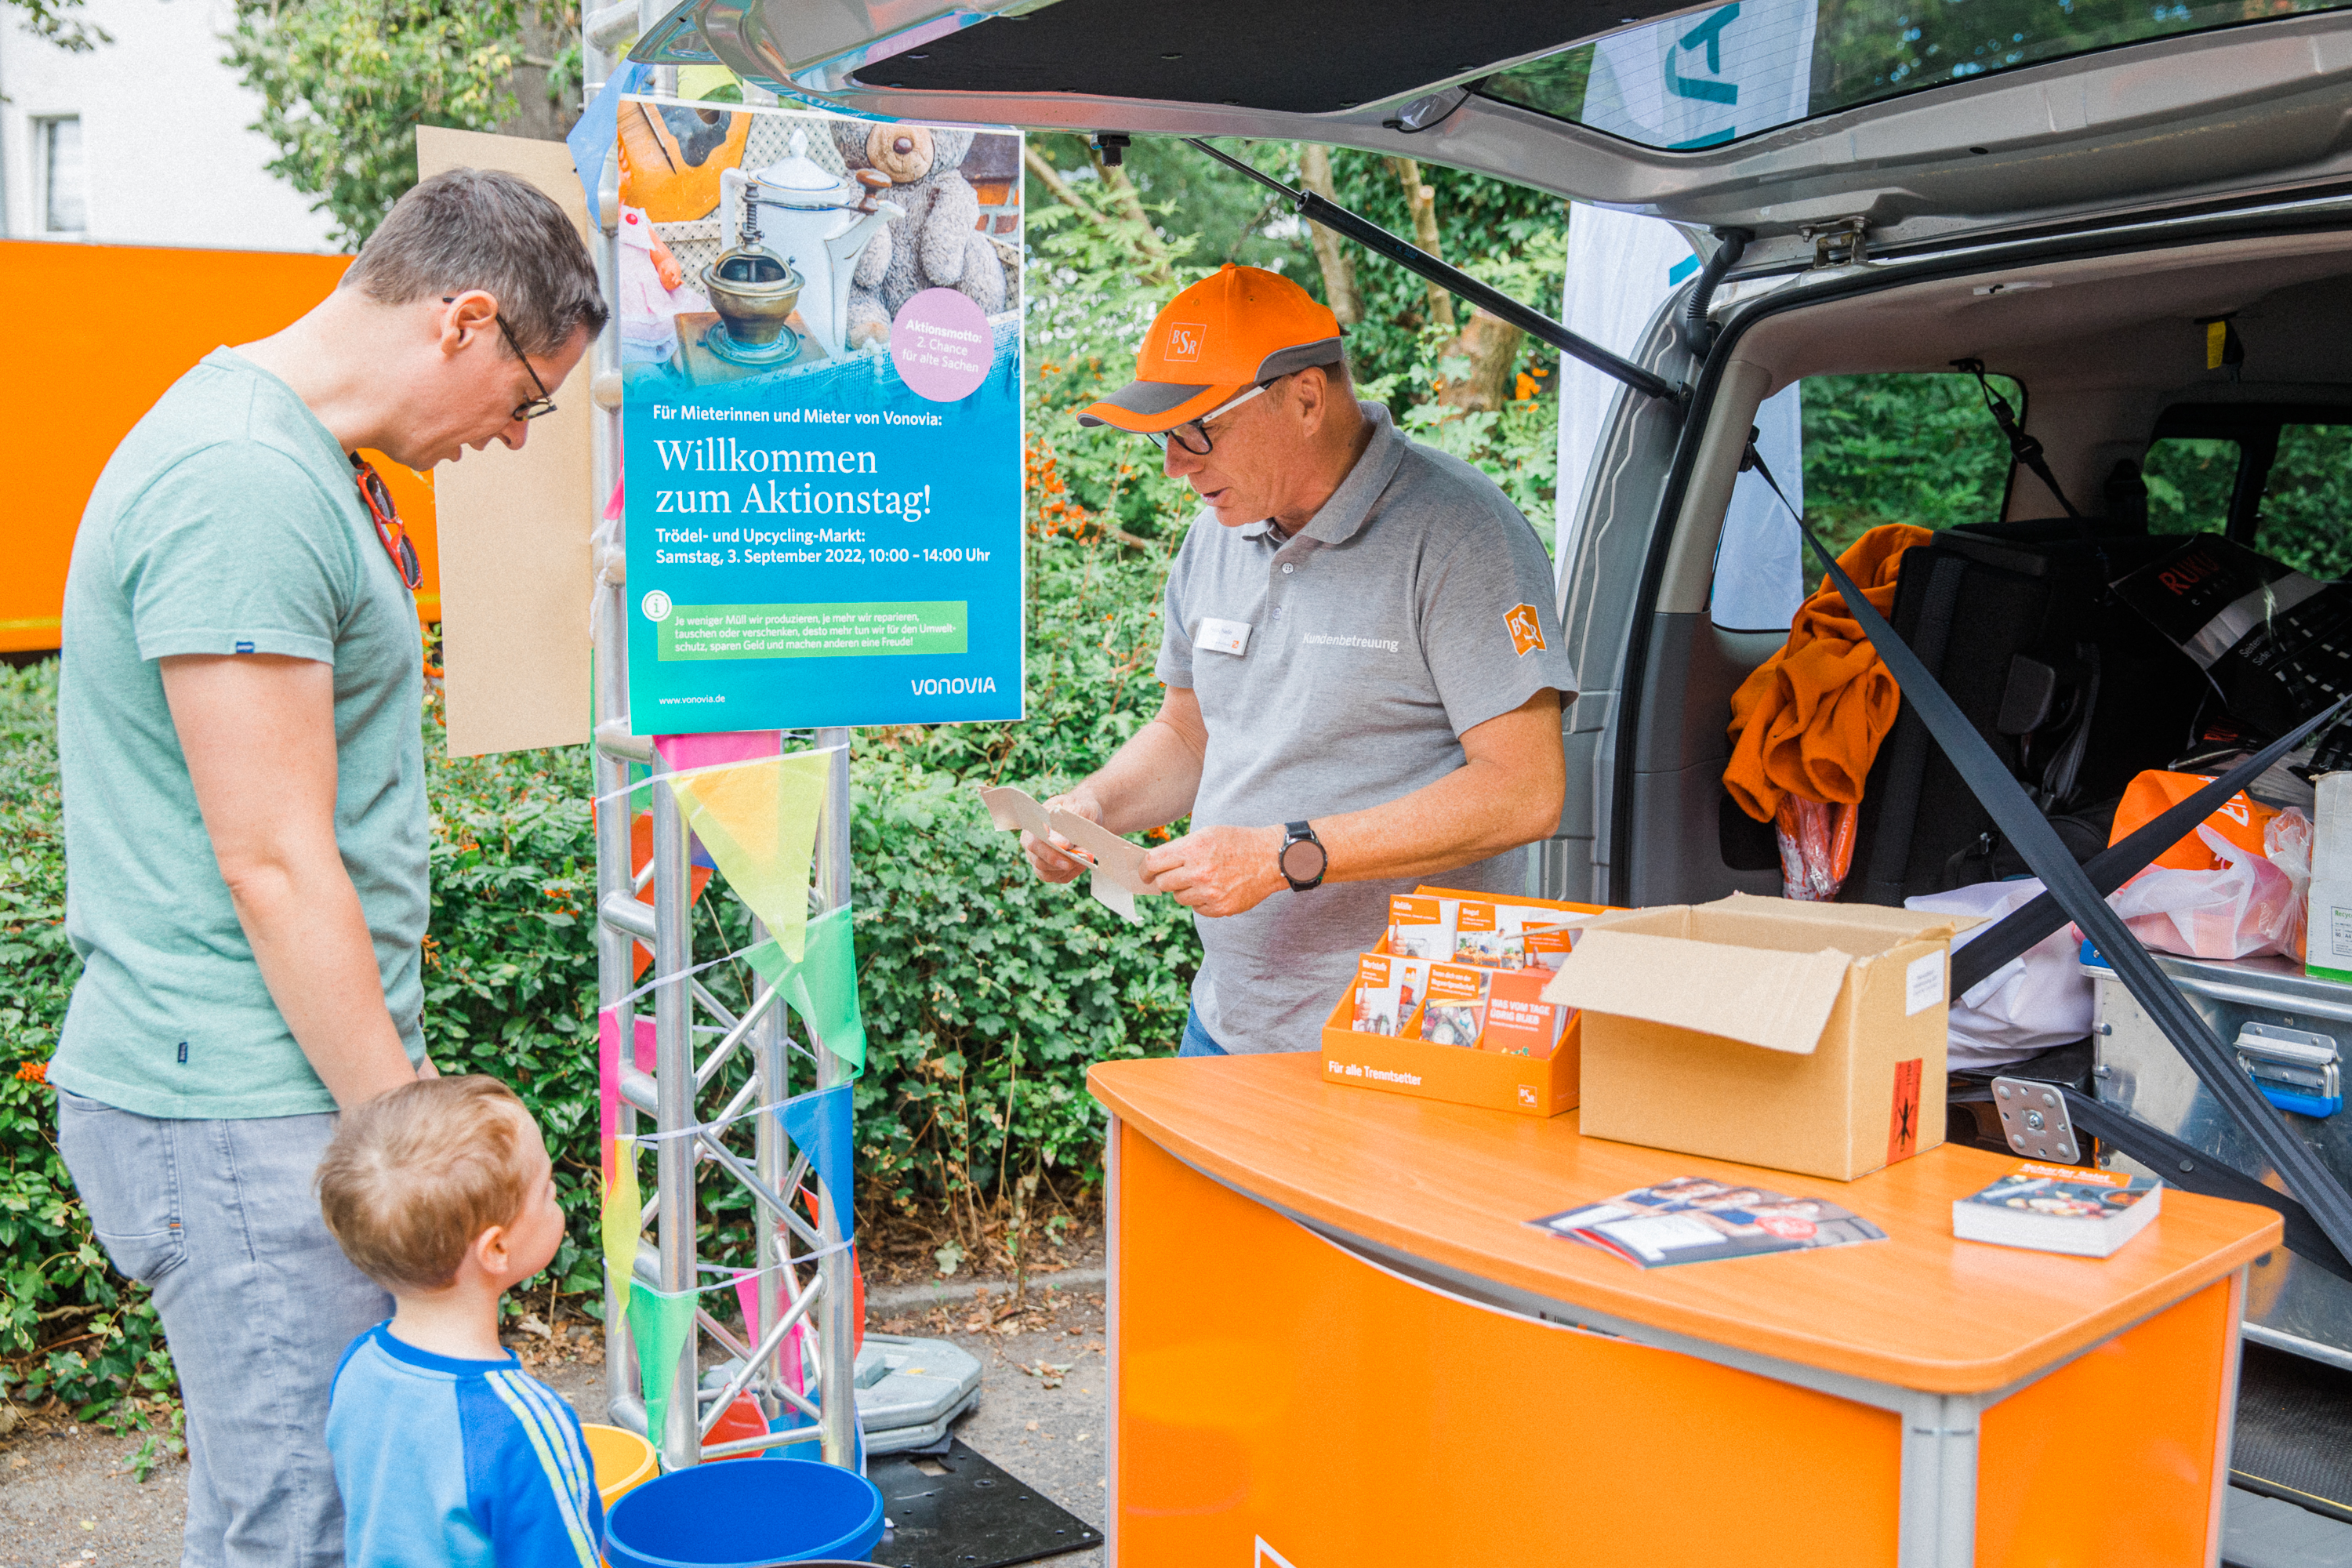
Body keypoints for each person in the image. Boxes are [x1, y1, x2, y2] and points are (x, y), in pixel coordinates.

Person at [47, 168, 604, 1565]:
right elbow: (275, 862)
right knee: (296, 1525)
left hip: (273, 1098)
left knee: (337, 1511)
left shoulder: (302, 462)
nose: (518, 437)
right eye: (532, 396)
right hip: (240, 1110)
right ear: (464, 321)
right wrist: (419, 1147)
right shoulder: (244, 482)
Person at [1026, 263, 1577, 1056]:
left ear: (1308, 398)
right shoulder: (1215, 533)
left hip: (1413, 1034)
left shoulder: (1462, 536)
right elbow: (1191, 735)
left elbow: (1525, 792)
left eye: (1197, 428)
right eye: (1163, 436)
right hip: (1229, 1022)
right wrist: (1094, 807)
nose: (1176, 465)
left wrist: (1287, 855)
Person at [315, 1076, 602, 1566]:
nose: (558, 1196)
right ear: (496, 1248)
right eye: (548, 1188)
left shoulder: (358, 1367)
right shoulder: (526, 1425)